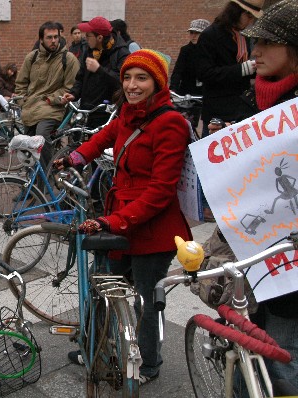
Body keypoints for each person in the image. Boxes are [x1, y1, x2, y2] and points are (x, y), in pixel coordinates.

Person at [54, 49, 192, 385]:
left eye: (141, 78)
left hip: (153, 228)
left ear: (157, 83)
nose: (132, 85)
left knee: (146, 300)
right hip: (120, 219)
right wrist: (73, 158)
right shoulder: (128, 114)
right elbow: (102, 138)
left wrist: (111, 222)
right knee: (102, 283)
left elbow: (161, 192)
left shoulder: (170, 123)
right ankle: (94, 344)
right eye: (128, 77)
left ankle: (149, 363)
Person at [208, 0, 298, 390]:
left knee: (282, 362)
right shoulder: (264, 102)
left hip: (288, 271)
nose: (254, 51)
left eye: (267, 43)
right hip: (263, 261)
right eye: (254, 40)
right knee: (260, 351)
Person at [15, 21, 80, 168]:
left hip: (53, 108)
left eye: (56, 37)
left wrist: (52, 99)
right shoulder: (32, 58)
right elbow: (21, 83)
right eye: (49, 37)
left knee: (41, 138)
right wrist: (23, 101)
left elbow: (70, 87)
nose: (53, 41)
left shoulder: (68, 59)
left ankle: (45, 181)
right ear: (41, 39)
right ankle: (32, 181)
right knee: (27, 147)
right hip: (30, 108)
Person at [197, 0, 263, 137]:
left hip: (240, 108)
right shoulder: (210, 35)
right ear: (236, 12)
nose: (250, 22)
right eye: (249, 16)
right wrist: (242, 69)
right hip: (218, 110)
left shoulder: (242, 36)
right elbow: (205, 73)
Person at [61, 16, 130, 128]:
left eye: (88, 35)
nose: (85, 38)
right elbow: (80, 77)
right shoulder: (89, 51)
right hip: (86, 110)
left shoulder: (122, 53)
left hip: (107, 113)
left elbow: (122, 81)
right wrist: (73, 94)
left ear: (99, 38)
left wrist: (100, 70)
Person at [170, 18, 210, 129]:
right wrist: (173, 89)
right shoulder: (186, 50)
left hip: (206, 93)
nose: (193, 36)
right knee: (187, 124)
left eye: (197, 33)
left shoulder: (211, 51)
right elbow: (178, 71)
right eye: (192, 33)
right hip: (187, 93)